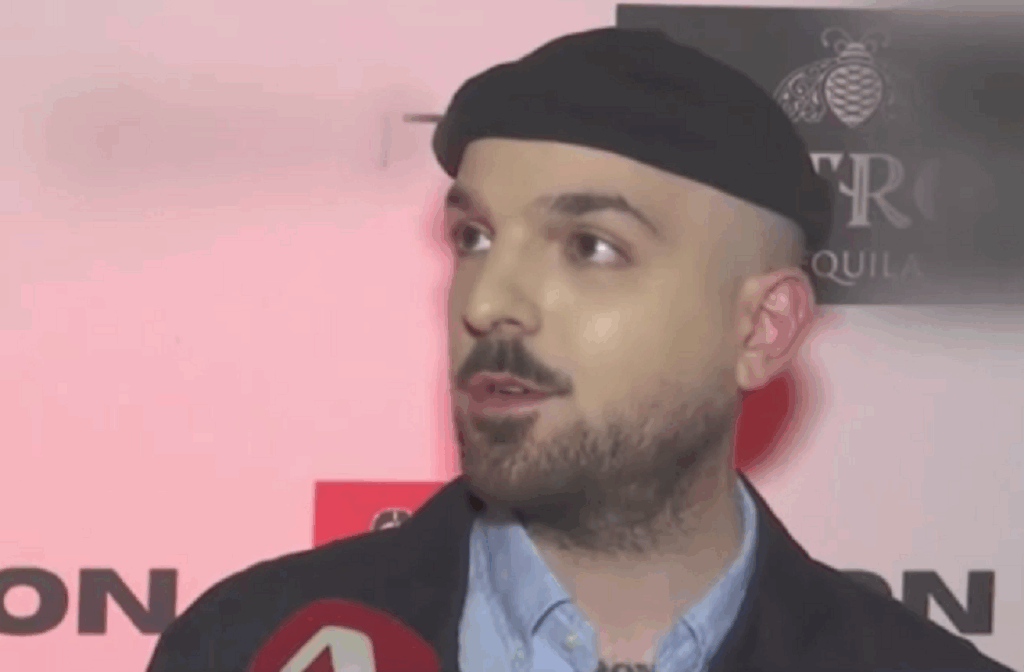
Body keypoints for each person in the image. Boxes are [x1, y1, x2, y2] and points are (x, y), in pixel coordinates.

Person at [146, 28, 1013, 672]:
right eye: (474, 237)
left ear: (761, 329)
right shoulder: (245, 645)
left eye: (591, 247)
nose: (488, 302)